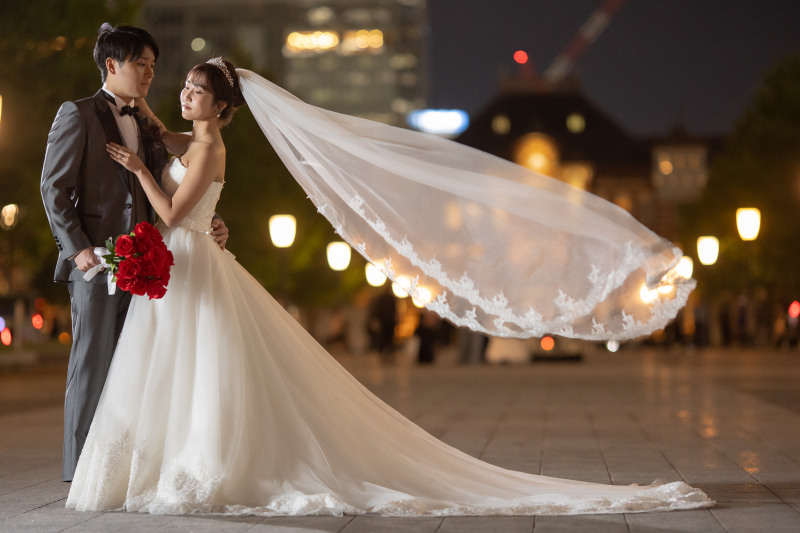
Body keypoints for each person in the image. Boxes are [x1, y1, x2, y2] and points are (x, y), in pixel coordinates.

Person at [64, 56, 711, 517]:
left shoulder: (210, 151)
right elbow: (163, 137)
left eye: (197, 90)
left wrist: (136, 172)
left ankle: (200, 461)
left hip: (188, 251)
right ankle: (175, 454)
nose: (185, 95)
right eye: (184, 87)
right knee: (182, 365)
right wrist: (140, 109)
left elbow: (174, 208)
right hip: (189, 263)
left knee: (197, 364)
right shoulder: (192, 140)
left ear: (223, 107)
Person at [39, 24, 230, 483]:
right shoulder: (78, 114)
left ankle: (122, 469)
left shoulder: (148, 125)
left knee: (136, 369)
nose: (149, 74)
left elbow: (177, 185)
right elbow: (53, 189)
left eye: (152, 66)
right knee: (92, 364)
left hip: (150, 265)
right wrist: (79, 250)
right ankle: (80, 470)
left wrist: (211, 222)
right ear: (111, 65)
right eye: (141, 64)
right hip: (98, 264)